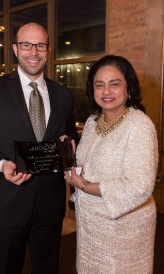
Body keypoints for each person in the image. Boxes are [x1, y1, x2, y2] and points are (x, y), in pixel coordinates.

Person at [0, 22, 78, 274]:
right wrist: (0, 164)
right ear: (16, 49)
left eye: (40, 45)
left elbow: (69, 136)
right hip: (8, 201)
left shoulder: (63, 95)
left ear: (48, 50)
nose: (33, 52)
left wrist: (70, 147)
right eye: (27, 45)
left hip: (50, 202)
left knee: (47, 267)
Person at [64, 55, 158, 274]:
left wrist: (85, 185)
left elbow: (138, 187)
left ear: (129, 88)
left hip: (122, 231)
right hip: (90, 227)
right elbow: (91, 163)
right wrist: (71, 157)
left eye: (114, 84)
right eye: (100, 85)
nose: (106, 92)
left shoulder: (139, 126)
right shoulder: (92, 121)